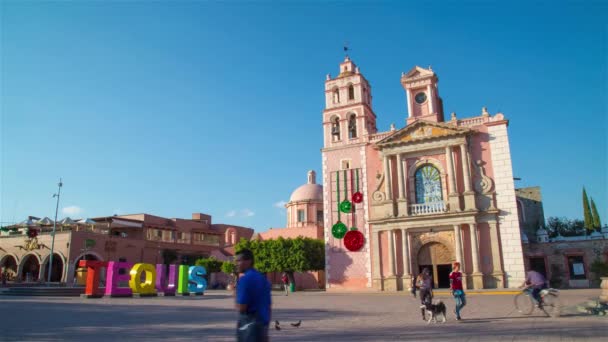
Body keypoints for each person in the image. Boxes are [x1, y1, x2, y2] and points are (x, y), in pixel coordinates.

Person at [235, 249, 272, 342]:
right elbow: (269, 305)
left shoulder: (245, 280)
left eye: (239, 260)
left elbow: (241, 307)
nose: (237, 263)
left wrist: (235, 292)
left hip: (249, 327)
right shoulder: (262, 278)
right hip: (263, 324)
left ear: (248, 261)